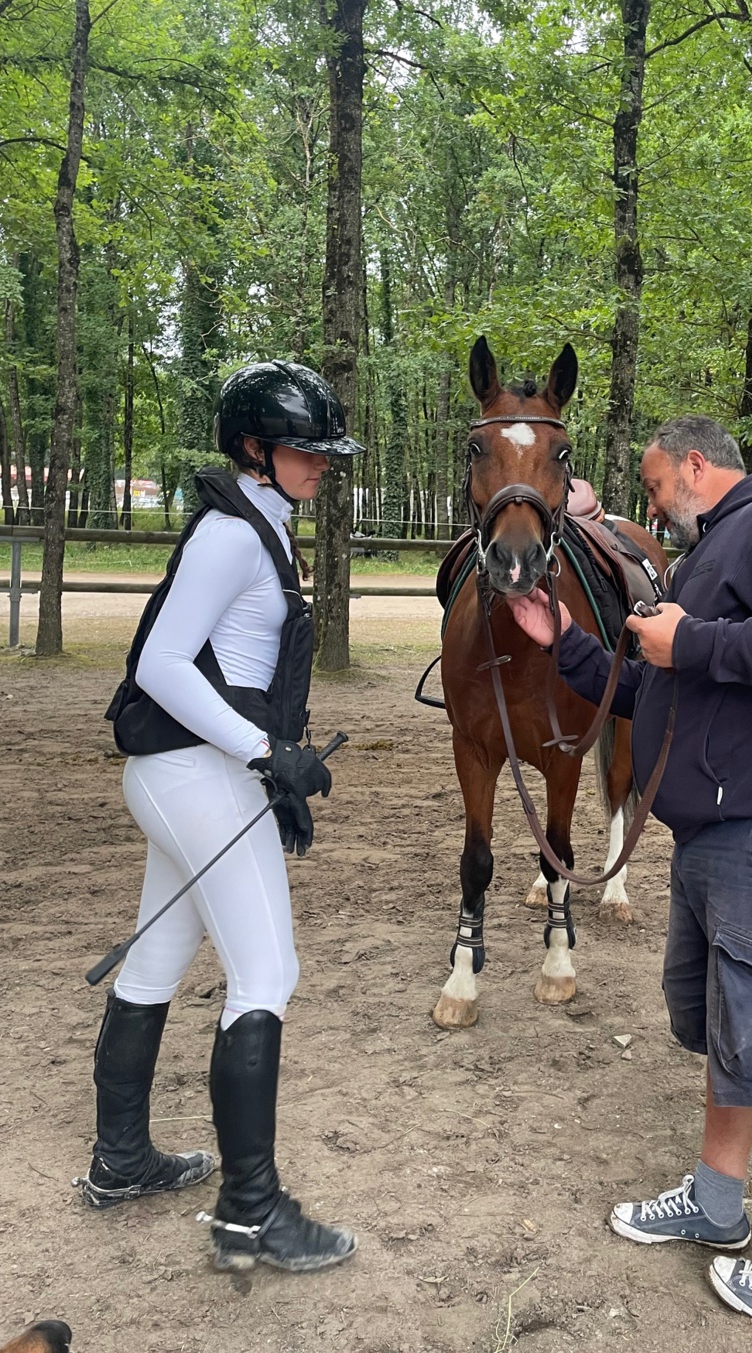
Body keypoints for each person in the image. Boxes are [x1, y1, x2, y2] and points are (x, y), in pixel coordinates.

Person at [508, 416, 752, 1334]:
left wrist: (695, 646)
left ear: (697, 467)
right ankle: (717, 1203)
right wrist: (563, 639)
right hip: (731, 837)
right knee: (734, 1031)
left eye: (656, 483)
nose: (649, 502)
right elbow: (656, 691)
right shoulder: (711, 556)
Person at [81, 360, 363, 1274]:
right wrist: (262, 755)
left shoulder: (262, 528)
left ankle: (121, 1161)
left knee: (157, 955)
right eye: (305, 451)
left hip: (196, 776)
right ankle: (251, 1211)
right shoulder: (231, 536)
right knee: (267, 970)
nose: (320, 465)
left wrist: (271, 757)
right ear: (254, 448)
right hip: (193, 775)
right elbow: (161, 665)